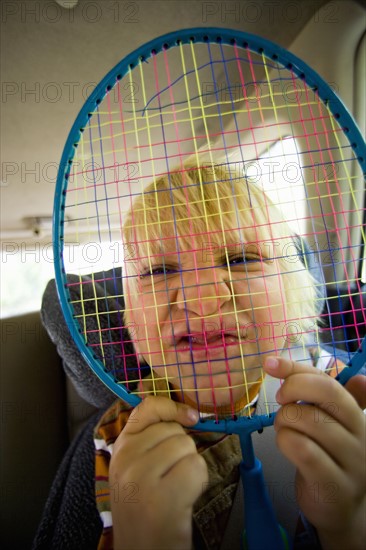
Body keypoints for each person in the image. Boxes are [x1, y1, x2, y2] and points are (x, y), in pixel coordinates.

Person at [93, 162, 366, 550]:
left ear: (292, 297)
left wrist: (351, 524)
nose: (202, 301)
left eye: (240, 260)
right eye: (159, 270)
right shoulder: (122, 435)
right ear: (132, 320)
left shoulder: (337, 386)